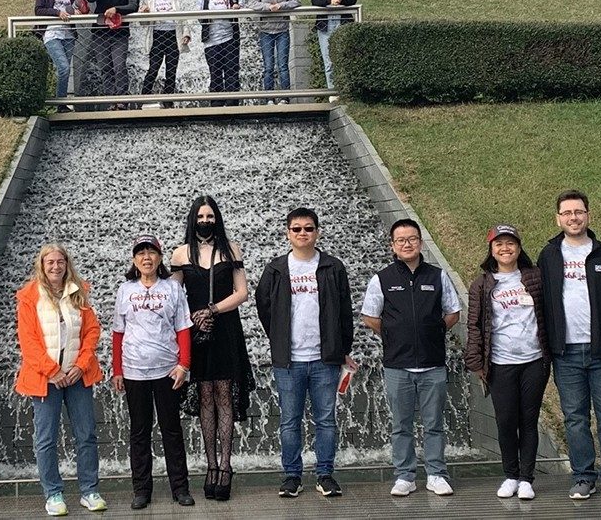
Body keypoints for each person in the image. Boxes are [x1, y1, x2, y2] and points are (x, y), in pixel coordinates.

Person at [537, 190, 601, 502]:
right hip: (565, 353)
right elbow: (540, 302)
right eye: (567, 213)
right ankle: (583, 477)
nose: (573, 217)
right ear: (558, 218)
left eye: (578, 211)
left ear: (588, 215)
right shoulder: (549, 255)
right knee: (575, 417)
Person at [255, 207, 357, 499]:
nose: (303, 233)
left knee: (326, 419)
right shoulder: (276, 268)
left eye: (308, 228)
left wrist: (343, 350)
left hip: (325, 359)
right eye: (297, 229)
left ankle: (325, 474)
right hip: (289, 361)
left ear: (317, 232)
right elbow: (264, 306)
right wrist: (278, 339)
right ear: (287, 233)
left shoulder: (332, 267)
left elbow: (344, 312)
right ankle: (292, 476)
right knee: (290, 420)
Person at [361, 218, 461, 497]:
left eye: (412, 239)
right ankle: (404, 475)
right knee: (401, 425)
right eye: (401, 240)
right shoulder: (382, 278)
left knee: (434, 424)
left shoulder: (437, 275)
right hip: (397, 365)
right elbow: (370, 316)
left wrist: (434, 330)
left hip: (432, 364)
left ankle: (436, 474)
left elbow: (453, 312)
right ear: (393, 245)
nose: (407, 244)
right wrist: (393, 334)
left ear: (420, 242)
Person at [170, 195, 255, 501]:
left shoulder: (231, 249)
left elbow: (242, 292)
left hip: (225, 329)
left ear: (217, 218)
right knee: (205, 395)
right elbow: (174, 295)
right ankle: (210, 465)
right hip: (196, 330)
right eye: (200, 216)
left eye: (210, 216)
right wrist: (192, 318)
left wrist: (212, 310)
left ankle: (226, 467)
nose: (205, 220)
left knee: (224, 394)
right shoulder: (180, 254)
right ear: (193, 219)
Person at [15, 243, 106, 516]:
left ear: (67, 264)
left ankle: (89, 491)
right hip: (46, 380)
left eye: (60, 262)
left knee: (86, 434)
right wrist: (52, 371)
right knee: (46, 439)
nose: (56, 266)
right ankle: (53, 494)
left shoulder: (78, 291)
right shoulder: (29, 297)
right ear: (42, 265)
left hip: (78, 376)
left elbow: (92, 331)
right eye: (50, 262)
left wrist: (81, 365)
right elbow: (28, 341)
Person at [465, 224, 550, 500]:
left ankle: (527, 478)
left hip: (534, 360)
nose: (505, 248)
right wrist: (476, 361)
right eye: (499, 244)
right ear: (491, 250)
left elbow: (548, 313)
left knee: (529, 419)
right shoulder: (482, 284)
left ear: (519, 247)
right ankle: (510, 475)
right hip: (500, 363)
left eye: (510, 243)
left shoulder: (535, 277)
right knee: (505, 421)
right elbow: (474, 325)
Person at [112, 235, 195, 510]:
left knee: (172, 430)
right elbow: (118, 332)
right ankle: (141, 490)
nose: (146, 258)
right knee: (139, 431)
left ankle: (180, 488)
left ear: (160, 258)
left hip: (167, 371)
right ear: (134, 260)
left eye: (151, 252)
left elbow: (183, 327)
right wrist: (117, 370)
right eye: (141, 253)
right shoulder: (125, 290)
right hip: (134, 371)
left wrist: (184, 364)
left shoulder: (172, 288)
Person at [85, 0, 140, 108]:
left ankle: (122, 99)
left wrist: (117, 9)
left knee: (119, 65)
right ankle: (110, 100)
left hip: (120, 33)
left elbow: (133, 6)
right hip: (100, 32)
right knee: (104, 67)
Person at [34, 0, 86, 112]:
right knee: (63, 67)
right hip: (51, 33)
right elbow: (39, 10)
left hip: (69, 34)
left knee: (64, 69)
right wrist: (57, 12)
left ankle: (60, 104)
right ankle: (60, 104)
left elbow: (73, 9)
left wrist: (76, 13)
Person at [247, 0, 300, 103]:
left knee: (283, 65)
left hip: (282, 30)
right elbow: (251, 3)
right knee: (268, 66)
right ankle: (269, 98)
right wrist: (267, 7)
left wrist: (281, 5)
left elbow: (296, 1)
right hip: (265, 31)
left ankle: (285, 98)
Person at [139, 0, 191, 108]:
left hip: (173, 35)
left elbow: (183, 17)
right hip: (157, 36)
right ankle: (144, 98)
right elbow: (143, 23)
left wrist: (186, 34)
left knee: (171, 70)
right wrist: (143, 13)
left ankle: (168, 101)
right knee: (153, 68)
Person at [310, 0, 357, 92]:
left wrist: (342, 0)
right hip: (325, 23)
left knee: (345, 57)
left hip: (343, 20)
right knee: (328, 60)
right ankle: (333, 91)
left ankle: (346, 90)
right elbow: (314, 0)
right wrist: (329, 0)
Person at [199, 0, 241, 106]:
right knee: (215, 72)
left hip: (230, 38)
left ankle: (233, 104)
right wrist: (207, 17)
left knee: (231, 71)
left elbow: (244, 8)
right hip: (211, 40)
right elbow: (199, 15)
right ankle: (216, 104)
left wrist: (237, 8)